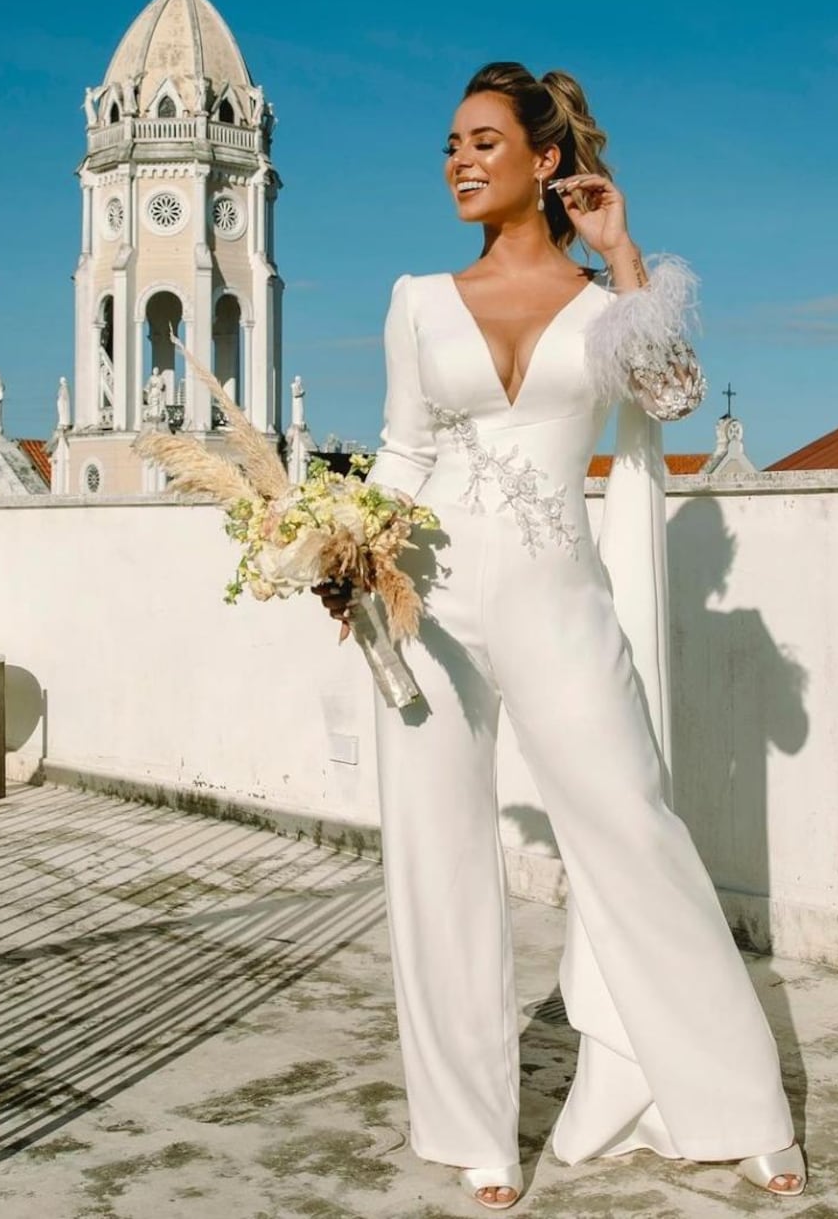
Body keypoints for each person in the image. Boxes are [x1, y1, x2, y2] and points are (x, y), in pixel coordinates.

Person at [314, 63, 806, 1211]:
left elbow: (675, 394)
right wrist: (340, 550)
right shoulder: (415, 299)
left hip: (557, 600)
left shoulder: (602, 308)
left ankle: (738, 1105)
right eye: (448, 144)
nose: (459, 161)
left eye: (485, 141)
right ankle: (473, 1129)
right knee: (434, 855)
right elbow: (399, 453)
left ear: (546, 160)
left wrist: (624, 250)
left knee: (631, 826)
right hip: (423, 598)